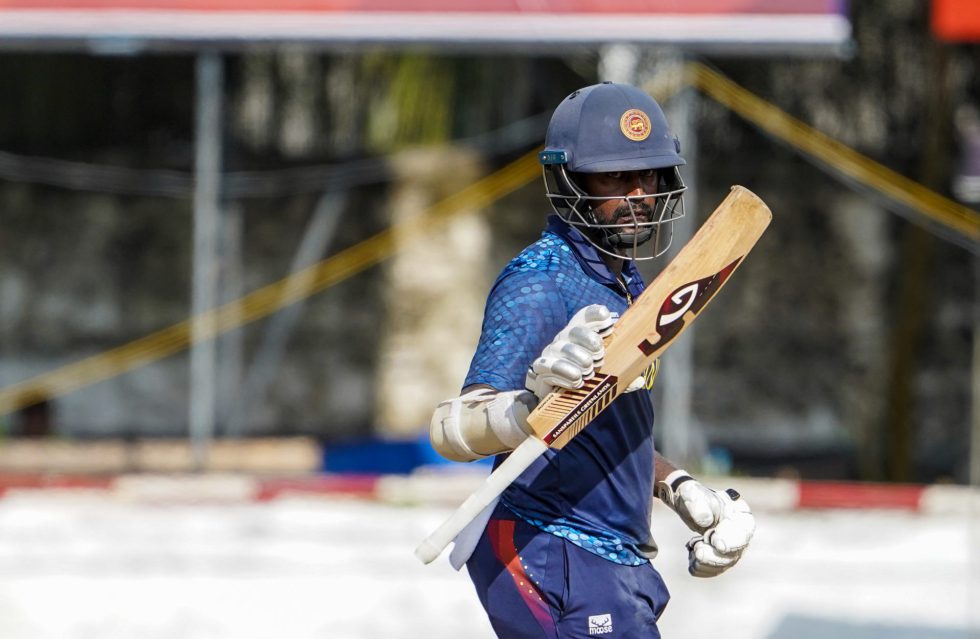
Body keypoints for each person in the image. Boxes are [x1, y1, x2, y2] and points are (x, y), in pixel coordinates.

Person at [429, 82, 755, 639]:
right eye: (614, 177)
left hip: (614, 561)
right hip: (547, 547)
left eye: (649, 176)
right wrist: (531, 405)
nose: (639, 195)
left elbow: (602, 423)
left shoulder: (625, 281)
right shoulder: (539, 281)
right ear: (569, 180)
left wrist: (678, 486)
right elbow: (452, 429)